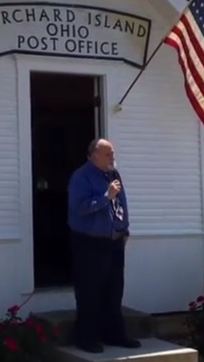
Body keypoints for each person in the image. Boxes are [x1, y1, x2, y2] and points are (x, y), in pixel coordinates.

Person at [66, 138, 141, 353]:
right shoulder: (81, 177)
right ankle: (86, 338)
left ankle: (114, 335)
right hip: (89, 242)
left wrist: (124, 229)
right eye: (108, 154)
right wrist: (105, 196)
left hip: (114, 241)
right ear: (93, 155)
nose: (112, 157)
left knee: (114, 290)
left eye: (113, 153)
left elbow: (121, 203)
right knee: (90, 291)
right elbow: (80, 208)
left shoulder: (113, 175)